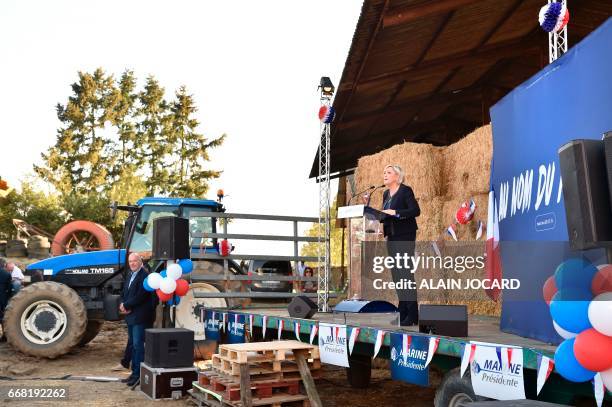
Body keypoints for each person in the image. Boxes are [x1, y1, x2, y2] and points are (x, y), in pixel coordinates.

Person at [380, 164, 421, 326]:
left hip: (405, 236)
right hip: (392, 237)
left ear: (397, 176)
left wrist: (396, 212)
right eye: (384, 172)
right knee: (397, 276)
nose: (385, 174)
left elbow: (415, 211)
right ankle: (402, 311)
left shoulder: (405, 190)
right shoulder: (385, 194)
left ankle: (412, 314)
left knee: (405, 275)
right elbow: (385, 215)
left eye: (388, 172)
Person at [120, 253, 154, 386]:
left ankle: (138, 375)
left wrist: (127, 305)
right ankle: (133, 373)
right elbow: (125, 292)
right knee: (133, 346)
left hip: (140, 317)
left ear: (140, 262)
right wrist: (122, 303)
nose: (132, 263)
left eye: (135, 261)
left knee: (138, 346)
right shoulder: (130, 275)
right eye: (130, 261)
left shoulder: (144, 276)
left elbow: (141, 295)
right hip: (131, 315)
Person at [0, 259, 12, 341]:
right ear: (3, 265)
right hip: (2, 298)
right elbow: (10, 288)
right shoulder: (7, 274)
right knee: (3, 317)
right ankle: (4, 336)